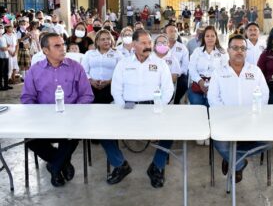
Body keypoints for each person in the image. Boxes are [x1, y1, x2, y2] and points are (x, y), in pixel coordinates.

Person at [21, 33, 94, 187]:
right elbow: (27, 98)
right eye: (57, 46)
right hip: (44, 120)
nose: (63, 48)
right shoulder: (35, 71)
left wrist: (74, 114)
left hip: (70, 119)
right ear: (45, 50)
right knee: (30, 140)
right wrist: (39, 116)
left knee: (72, 135)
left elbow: (87, 95)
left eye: (63, 44)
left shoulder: (76, 67)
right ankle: (60, 163)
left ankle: (54, 168)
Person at [111, 29, 174, 188]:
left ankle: (156, 167)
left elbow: (168, 90)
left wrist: (158, 107)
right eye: (143, 43)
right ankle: (120, 165)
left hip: (153, 106)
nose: (148, 46)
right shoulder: (123, 64)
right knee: (104, 133)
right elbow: (116, 89)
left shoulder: (160, 64)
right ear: (133, 44)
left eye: (149, 43)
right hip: (128, 106)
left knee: (171, 133)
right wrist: (123, 108)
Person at [208, 34, 270, 183]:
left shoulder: (255, 71)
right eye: (235, 48)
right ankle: (239, 163)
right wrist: (228, 116)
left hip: (252, 120)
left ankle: (231, 157)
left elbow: (264, 95)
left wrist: (253, 114)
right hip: (226, 120)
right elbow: (213, 98)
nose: (239, 51)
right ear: (228, 50)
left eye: (243, 48)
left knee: (268, 141)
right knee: (219, 141)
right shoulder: (219, 72)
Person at [82, 29, 128, 185]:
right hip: (92, 89)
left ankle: (117, 158)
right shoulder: (89, 55)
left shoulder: (117, 55)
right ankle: (116, 157)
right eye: (102, 39)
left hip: (111, 89)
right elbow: (83, 71)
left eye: (108, 39)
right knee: (97, 124)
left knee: (106, 126)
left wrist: (109, 81)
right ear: (97, 41)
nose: (106, 41)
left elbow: (122, 72)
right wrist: (90, 80)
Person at [188, 26, 229, 108]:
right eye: (207, 36)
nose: (210, 38)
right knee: (197, 103)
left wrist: (213, 84)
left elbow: (226, 70)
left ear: (216, 37)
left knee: (214, 105)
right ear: (204, 38)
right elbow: (191, 69)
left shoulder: (222, 53)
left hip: (217, 85)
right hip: (198, 84)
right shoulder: (197, 51)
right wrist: (200, 81)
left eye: (212, 36)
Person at [165, 24, 189, 104]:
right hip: (163, 73)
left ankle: (176, 100)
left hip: (179, 74)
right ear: (165, 33)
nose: (173, 33)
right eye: (171, 31)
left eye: (175, 31)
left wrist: (176, 73)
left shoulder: (182, 48)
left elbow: (185, 66)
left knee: (183, 84)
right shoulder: (161, 46)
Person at [0, 24, 11, 90]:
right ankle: (1, 85)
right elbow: (3, 48)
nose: (1, 29)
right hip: (1, 57)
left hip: (6, 56)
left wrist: (7, 47)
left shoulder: (3, 37)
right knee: (1, 72)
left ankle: (6, 85)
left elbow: (6, 45)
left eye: (2, 28)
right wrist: (8, 47)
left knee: (6, 71)